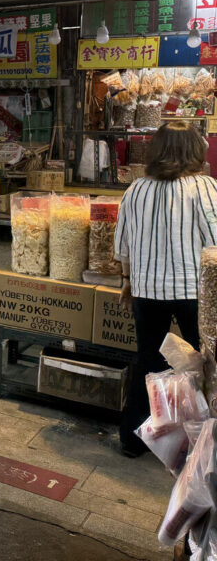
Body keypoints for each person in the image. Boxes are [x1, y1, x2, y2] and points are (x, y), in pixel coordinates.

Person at [114, 121, 217, 457]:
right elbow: (215, 242)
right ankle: (202, 446)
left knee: (148, 361)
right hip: (194, 292)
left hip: (146, 289)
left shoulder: (136, 189)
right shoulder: (204, 187)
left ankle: (132, 440)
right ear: (194, 151)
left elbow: (122, 243)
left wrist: (127, 281)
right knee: (206, 366)